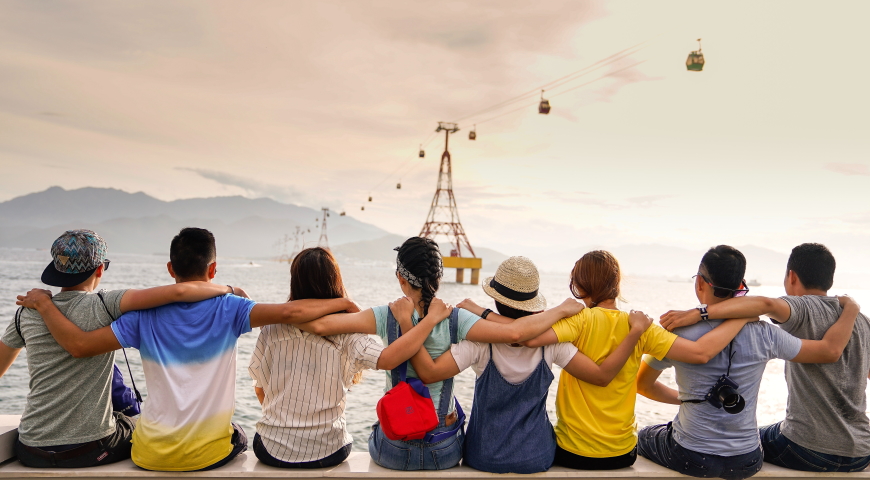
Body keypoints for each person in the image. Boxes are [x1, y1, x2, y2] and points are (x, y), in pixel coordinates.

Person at [16, 227, 358, 472]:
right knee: (238, 434)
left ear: (170, 269)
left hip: (149, 455)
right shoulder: (232, 309)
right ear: (213, 269)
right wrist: (345, 303)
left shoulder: (142, 316)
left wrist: (45, 306)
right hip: (207, 456)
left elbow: (81, 345)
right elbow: (292, 313)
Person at [294, 237, 585, 471]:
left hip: (394, 448)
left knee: (378, 427)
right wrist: (560, 310)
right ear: (439, 277)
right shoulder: (457, 318)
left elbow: (318, 325)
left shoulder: (386, 314)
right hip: (443, 449)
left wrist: (343, 303)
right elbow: (515, 333)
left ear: (400, 278)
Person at [0, 229, 232, 468]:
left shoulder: (26, 312)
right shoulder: (105, 304)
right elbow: (180, 292)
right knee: (137, 424)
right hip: (88, 450)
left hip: (31, 449)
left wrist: (43, 303)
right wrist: (229, 290)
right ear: (100, 269)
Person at [401, 255, 654, 474]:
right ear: (533, 303)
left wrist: (408, 326)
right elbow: (600, 376)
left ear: (496, 301)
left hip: (483, 455)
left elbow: (429, 373)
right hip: (537, 456)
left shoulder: (480, 342)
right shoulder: (552, 344)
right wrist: (633, 333)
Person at [637, 245, 861, 480]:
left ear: (700, 283)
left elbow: (642, 385)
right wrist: (851, 308)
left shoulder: (675, 333)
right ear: (741, 287)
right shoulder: (766, 333)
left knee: (645, 435)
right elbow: (827, 352)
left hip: (691, 456)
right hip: (747, 459)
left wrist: (688, 399)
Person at [523, 250, 760, 470]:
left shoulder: (578, 320)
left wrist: (560, 310)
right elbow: (700, 353)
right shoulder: (642, 326)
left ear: (579, 286)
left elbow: (527, 337)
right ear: (616, 284)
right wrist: (740, 317)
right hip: (622, 454)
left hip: (573, 452)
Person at [248, 247, 453, 469]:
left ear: (294, 282)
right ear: (335, 282)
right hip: (329, 450)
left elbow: (260, 389)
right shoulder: (348, 334)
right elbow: (387, 359)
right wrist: (429, 320)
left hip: (272, 449)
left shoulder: (271, 329)